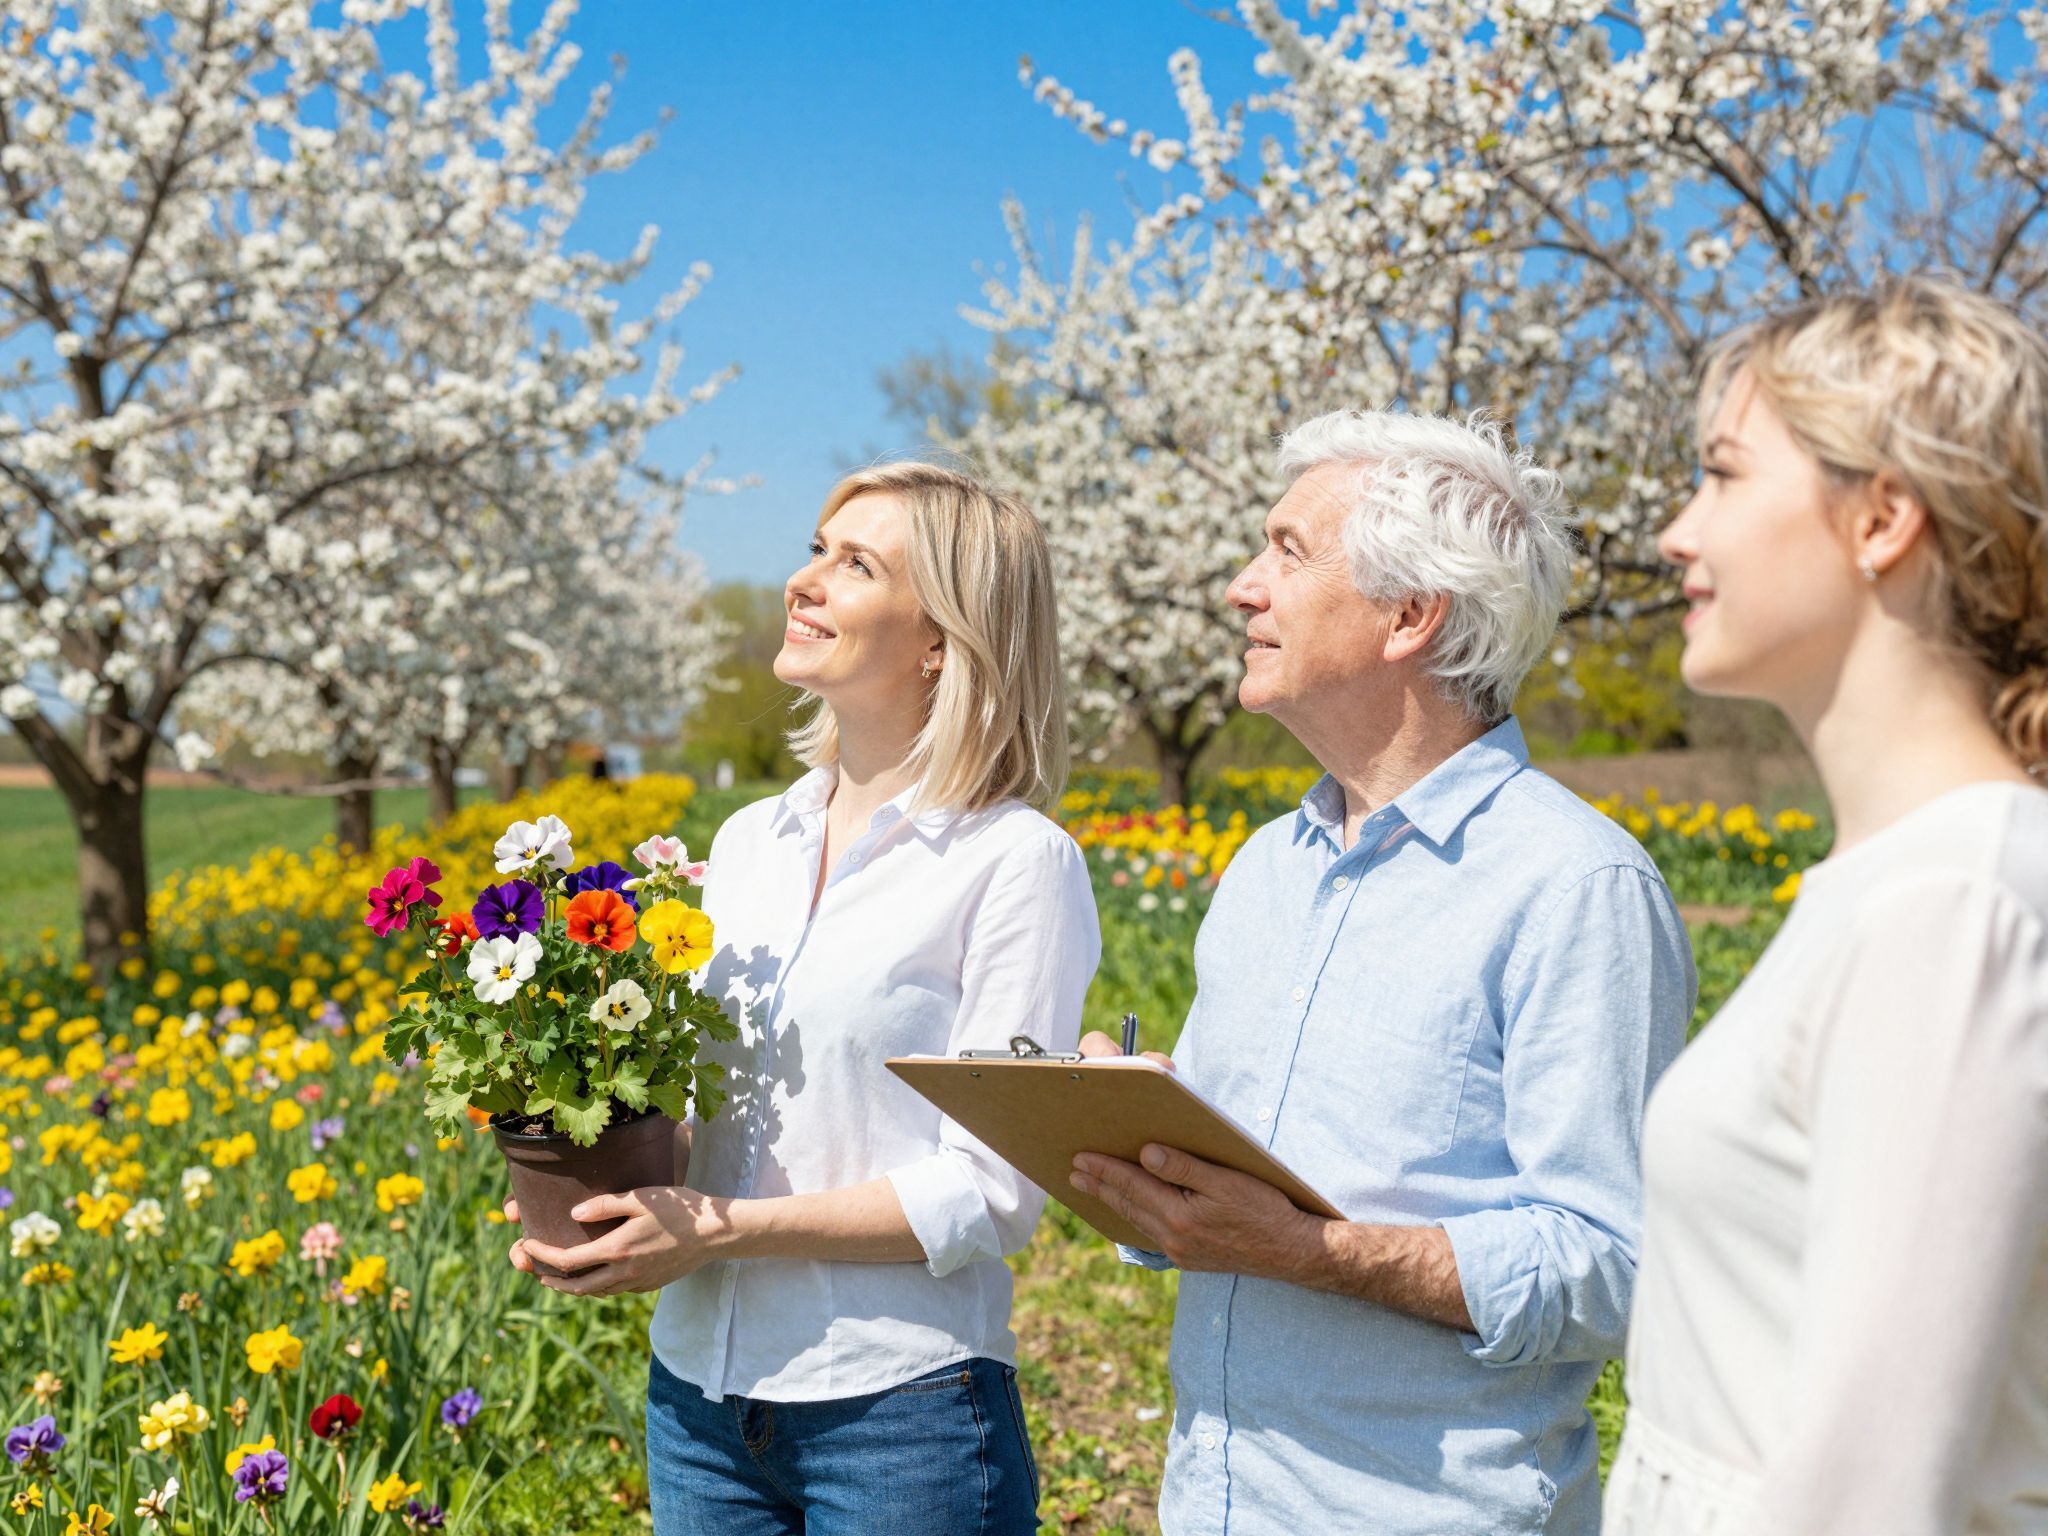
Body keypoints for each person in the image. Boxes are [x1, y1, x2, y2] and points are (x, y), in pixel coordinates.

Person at [1070, 409, 1696, 1534]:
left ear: (1410, 615)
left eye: (1286, 550)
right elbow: (1229, 1204)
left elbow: (1611, 1264)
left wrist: (1315, 1255)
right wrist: (1136, 1144)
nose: (1239, 587)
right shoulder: (1266, 867)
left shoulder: (1575, 887)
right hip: (1214, 1504)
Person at [511, 463, 1099, 1536]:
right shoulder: (748, 843)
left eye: (855, 563)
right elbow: (723, 1119)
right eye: (816, 547)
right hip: (699, 1402)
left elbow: (990, 1195)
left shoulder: (1015, 863)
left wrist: (718, 1230)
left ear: (940, 639)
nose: (803, 581)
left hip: (897, 1412)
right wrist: (605, 1198)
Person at [1607, 279, 2048, 1535]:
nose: (1674, 535)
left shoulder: (1951, 907)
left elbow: (1865, 1494)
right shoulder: (1889, 886)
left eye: (1722, 477)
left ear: (1881, 519)